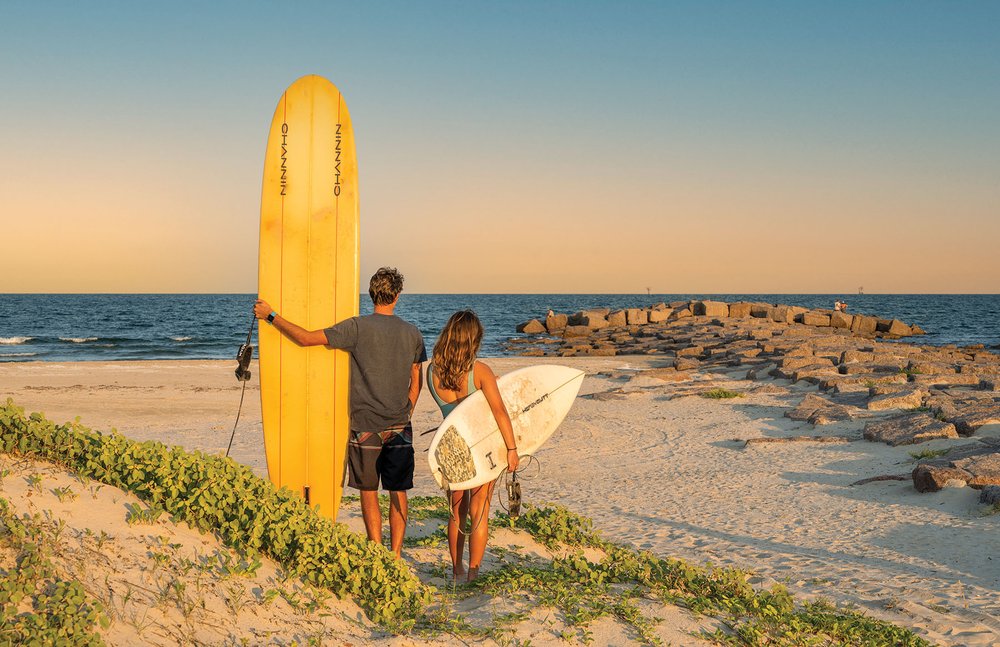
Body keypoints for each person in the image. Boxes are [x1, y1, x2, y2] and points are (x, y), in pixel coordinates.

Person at [254, 267, 426, 558]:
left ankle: (375, 550)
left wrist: (271, 316)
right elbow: (416, 377)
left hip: (365, 425)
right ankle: (395, 554)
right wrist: (408, 408)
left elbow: (306, 339)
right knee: (398, 490)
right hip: (400, 424)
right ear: (396, 296)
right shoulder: (412, 333)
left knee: (368, 490)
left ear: (372, 294)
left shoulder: (357, 327)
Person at [426, 310, 518, 582]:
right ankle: (474, 572)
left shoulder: (432, 371)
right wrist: (512, 450)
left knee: (457, 512)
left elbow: (454, 411)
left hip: (450, 448)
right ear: (473, 339)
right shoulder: (479, 371)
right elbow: (499, 412)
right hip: (481, 448)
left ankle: (457, 570)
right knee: (480, 510)